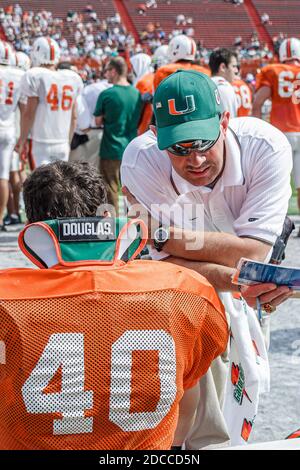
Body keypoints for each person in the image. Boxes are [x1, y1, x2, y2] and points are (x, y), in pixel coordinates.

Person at [0, 160, 228, 450]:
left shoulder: (7, 298)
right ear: (104, 215)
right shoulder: (185, 290)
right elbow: (187, 401)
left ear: (34, 227)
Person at [121, 70, 293, 448]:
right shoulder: (141, 160)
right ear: (157, 139)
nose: (195, 158)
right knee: (193, 421)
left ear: (225, 121)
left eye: (203, 141)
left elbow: (252, 251)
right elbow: (162, 267)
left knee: (240, 410)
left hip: (251, 290)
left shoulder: (265, 146)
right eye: (179, 147)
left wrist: (166, 235)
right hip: (190, 296)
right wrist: (239, 277)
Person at [253, 37, 300, 234]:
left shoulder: (272, 70)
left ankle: (275, 225)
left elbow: (258, 102)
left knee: (276, 182)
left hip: (280, 133)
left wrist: (257, 126)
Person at [15, 37, 83, 167]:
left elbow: (29, 113)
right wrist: (67, 141)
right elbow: (74, 116)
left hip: (41, 142)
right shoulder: (72, 77)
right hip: (62, 142)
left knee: (39, 185)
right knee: (59, 184)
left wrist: (22, 139)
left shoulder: (35, 76)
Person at [94, 56, 142, 215]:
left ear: (114, 71)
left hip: (111, 147)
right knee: (132, 190)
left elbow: (97, 121)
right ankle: (135, 225)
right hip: (132, 147)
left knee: (110, 188)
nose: (106, 74)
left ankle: (112, 227)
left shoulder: (107, 94)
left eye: (107, 70)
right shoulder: (137, 93)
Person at [0, 41, 24, 231]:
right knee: (4, 176)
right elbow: (24, 109)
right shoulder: (19, 75)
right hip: (10, 129)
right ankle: (2, 217)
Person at [209, 48, 239, 117]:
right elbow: (229, 124)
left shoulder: (204, 84)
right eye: (233, 66)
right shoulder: (223, 87)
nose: (236, 70)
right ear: (223, 67)